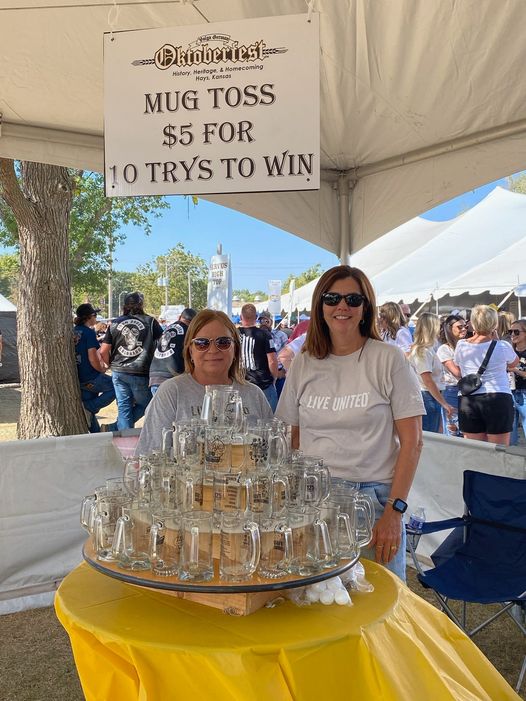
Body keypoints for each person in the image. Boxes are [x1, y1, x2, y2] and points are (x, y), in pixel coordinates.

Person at [276, 265, 424, 581]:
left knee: (380, 604)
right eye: (332, 298)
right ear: (320, 306)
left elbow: (413, 443)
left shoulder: (388, 358)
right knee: (318, 599)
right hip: (314, 497)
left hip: (372, 499)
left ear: (365, 308)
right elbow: (290, 434)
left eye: (352, 299)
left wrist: (394, 512)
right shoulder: (304, 361)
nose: (342, 306)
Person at [136, 309, 273, 455]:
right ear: (190, 351)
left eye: (223, 342)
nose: (213, 350)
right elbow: (148, 456)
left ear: (235, 349)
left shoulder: (254, 394)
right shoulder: (171, 391)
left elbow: (272, 453)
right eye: (202, 343)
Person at [453, 305, 518, 445]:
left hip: (468, 399)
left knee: (474, 450)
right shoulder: (502, 346)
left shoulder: (461, 345)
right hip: (497, 396)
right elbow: (514, 363)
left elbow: (458, 365)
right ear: (495, 323)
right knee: (498, 450)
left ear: (472, 323)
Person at [100, 292, 163, 431]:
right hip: (140, 371)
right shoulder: (151, 322)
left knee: (124, 408)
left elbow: (103, 350)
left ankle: (120, 437)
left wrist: (109, 364)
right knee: (150, 404)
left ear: (124, 306)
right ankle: (115, 429)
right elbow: (162, 344)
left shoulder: (115, 323)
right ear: (141, 304)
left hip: (118, 371)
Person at [409, 313, 455, 433]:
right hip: (427, 397)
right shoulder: (422, 351)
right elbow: (427, 380)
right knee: (430, 436)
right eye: (438, 326)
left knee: (434, 434)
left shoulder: (426, 350)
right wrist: (444, 403)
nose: (440, 329)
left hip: (430, 396)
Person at [73, 303, 115, 432]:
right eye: (94, 315)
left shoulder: (74, 331)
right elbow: (92, 357)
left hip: (79, 376)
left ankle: (95, 433)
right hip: (90, 375)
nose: (96, 318)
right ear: (88, 317)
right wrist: (101, 369)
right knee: (116, 387)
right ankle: (89, 406)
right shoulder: (89, 333)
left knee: (89, 416)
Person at [238, 303, 279, 412]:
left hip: (240, 383)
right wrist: (274, 377)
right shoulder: (265, 334)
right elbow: (272, 360)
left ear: (241, 317)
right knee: (268, 422)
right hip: (263, 384)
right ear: (256, 318)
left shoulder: (233, 334)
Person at [149, 308, 197, 395]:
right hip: (172, 378)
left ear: (179, 317)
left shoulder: (167, 328)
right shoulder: (189, 333)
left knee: (159, 408)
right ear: (193, 323)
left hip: (154, 376)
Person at [437, 314, 467, 435]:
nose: (464, 329)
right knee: (453, 431)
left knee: (466, 430)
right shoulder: (444, 349)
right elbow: (457, 373)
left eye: (465, 326)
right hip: (452, 391)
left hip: (468, 391)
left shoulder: (467, 345)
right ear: (450, 329)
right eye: (460, 327)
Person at [509, 319, 526, 446]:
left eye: (516, 332)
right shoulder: (509, 351)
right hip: (509, 392)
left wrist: (513, 369)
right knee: (510, 431)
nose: (512, 335)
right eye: (510, 331)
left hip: (524, 393)